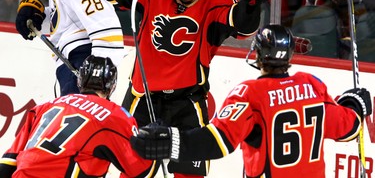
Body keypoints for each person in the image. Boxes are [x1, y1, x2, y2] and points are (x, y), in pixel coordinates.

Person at [59, 0, 268, 177]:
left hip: (188, 103)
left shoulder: (214, 8)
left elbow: (244, 25)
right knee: (134, 170)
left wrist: (252, 1)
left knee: (190, 173)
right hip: (143, 99)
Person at [130, 24, 373, 178]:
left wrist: (172, 142)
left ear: (258, 55)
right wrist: (356, 104)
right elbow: (347, 128)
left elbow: (218, 142)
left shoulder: (250, 93)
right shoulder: (311, 85)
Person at [0, 55, 158, 178]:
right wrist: (157, 147)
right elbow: (142, 170)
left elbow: (7, 163)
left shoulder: (45, 106)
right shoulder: (113, 115)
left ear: (80, 81)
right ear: (112, 86)